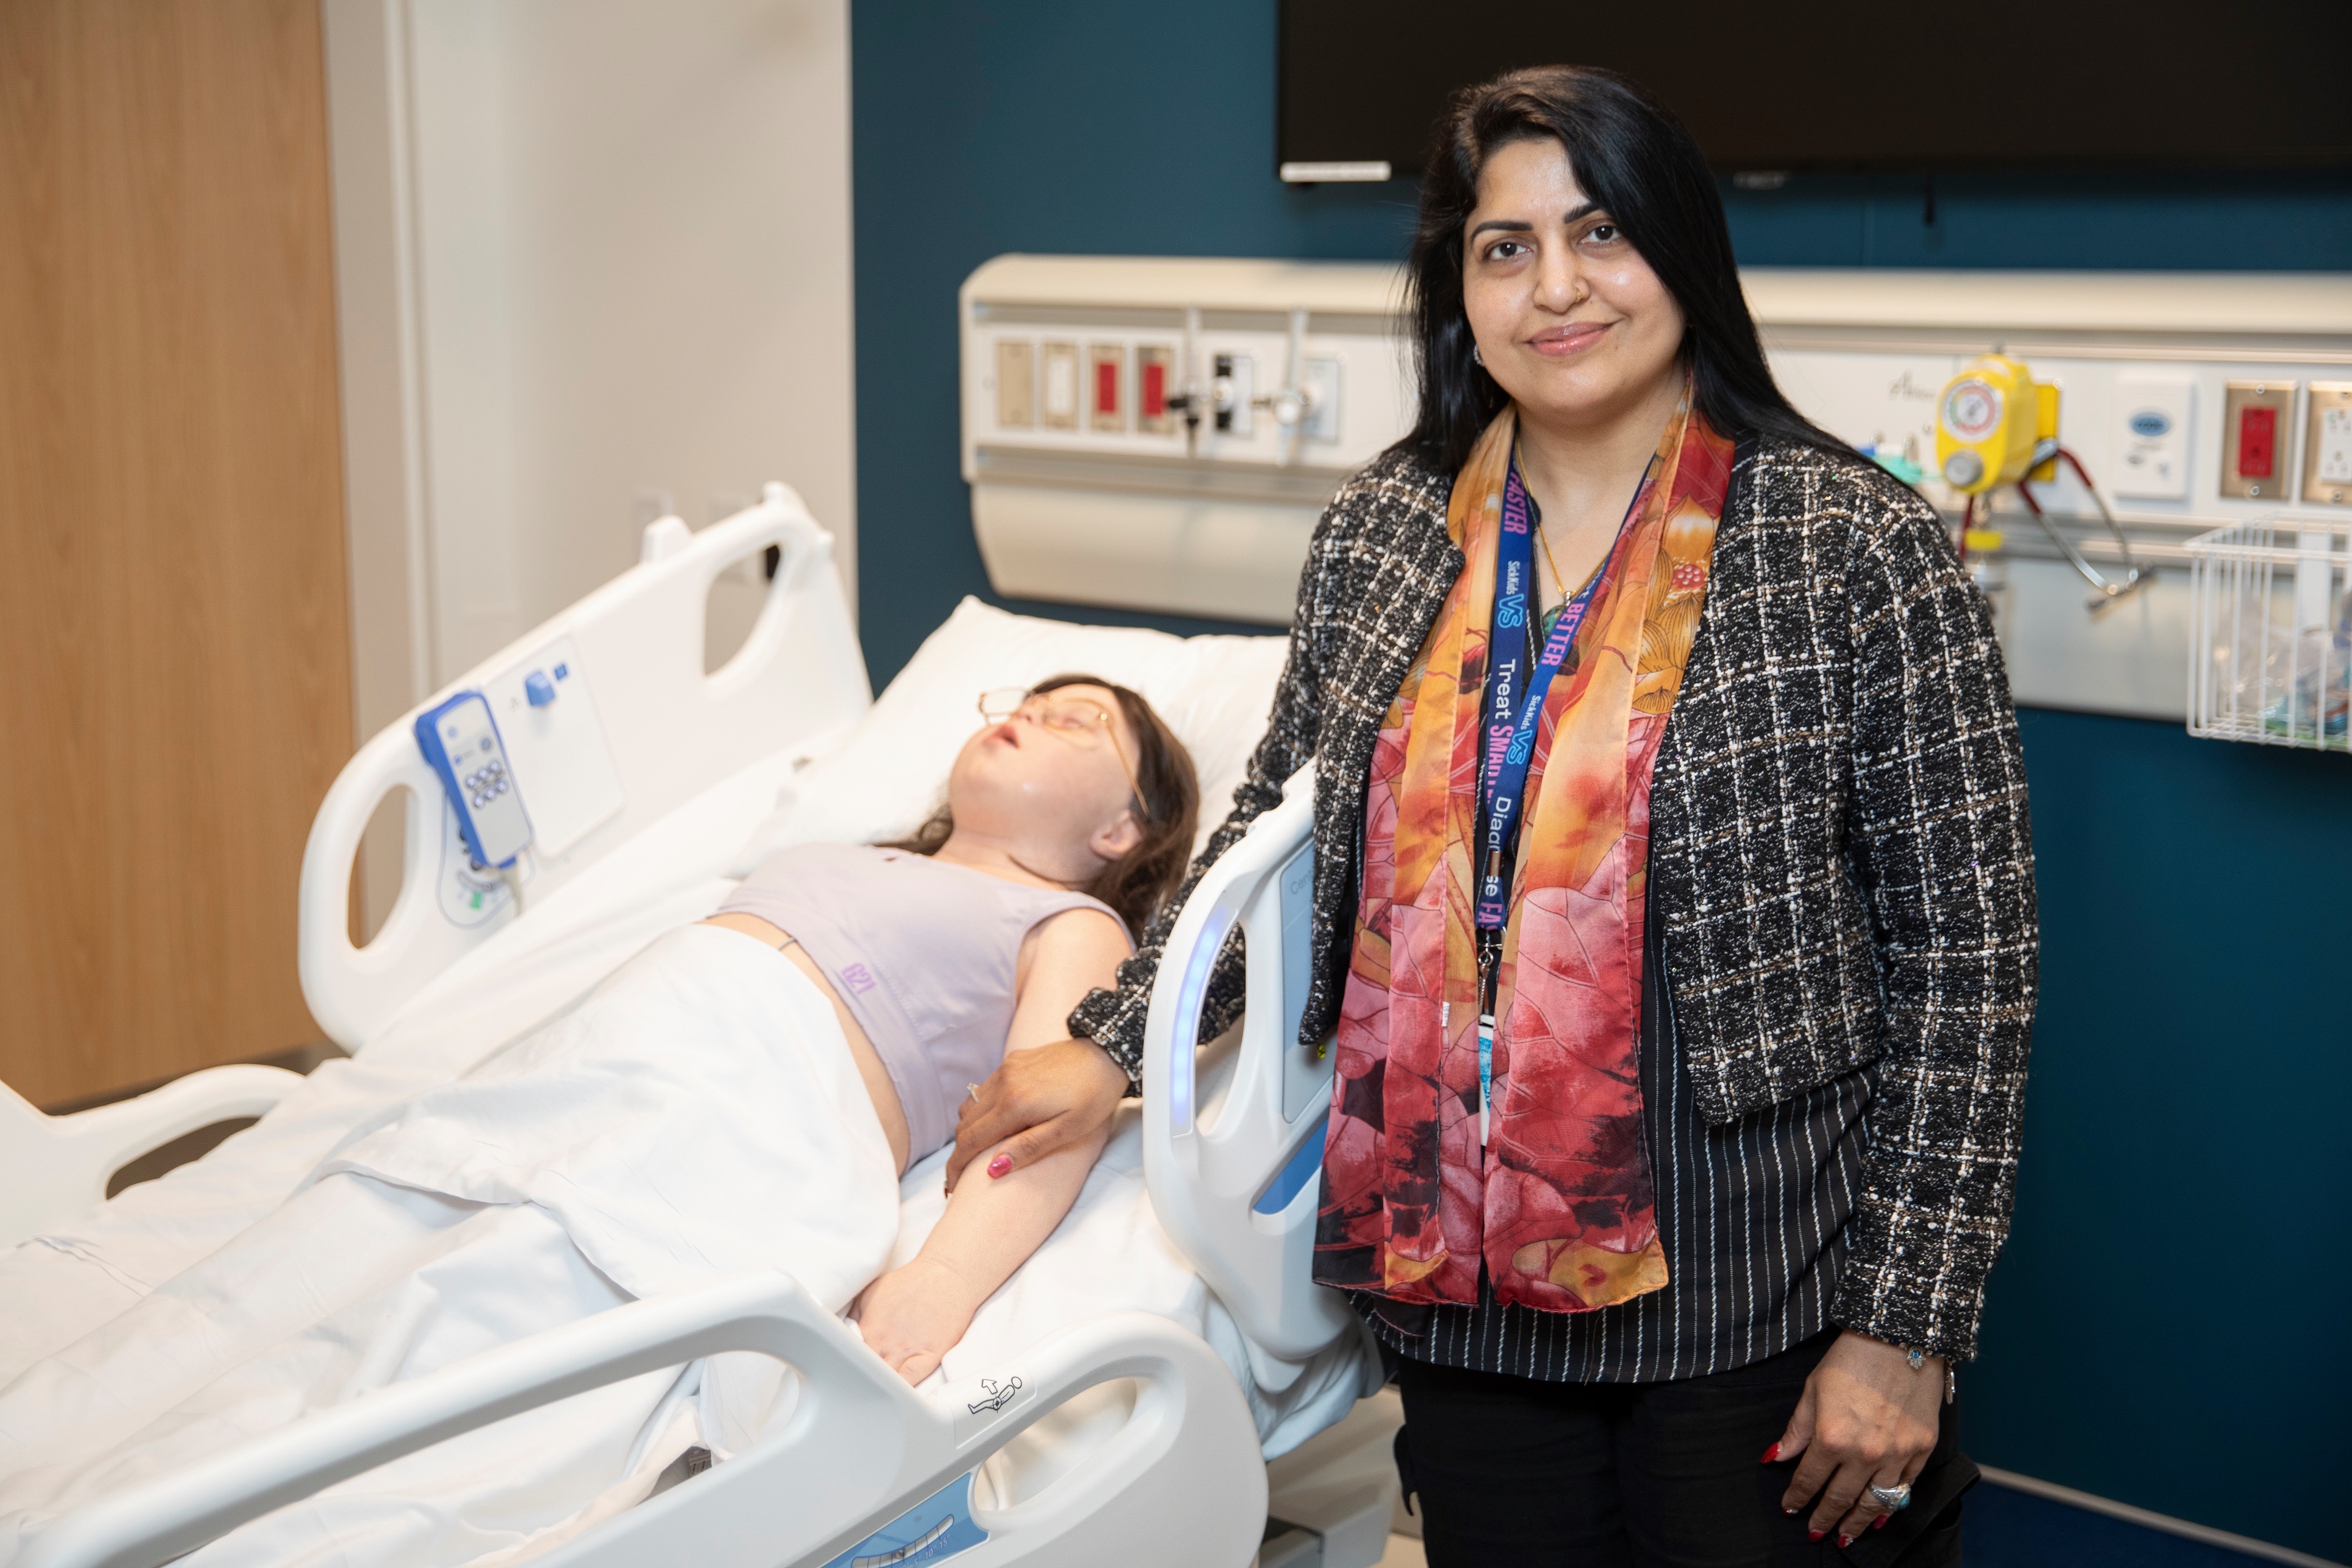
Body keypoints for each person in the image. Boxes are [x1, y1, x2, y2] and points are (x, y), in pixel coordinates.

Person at [949, 68, 2036, 1567]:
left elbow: (1967, 958)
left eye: (1602, 234)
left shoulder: (1850, 546)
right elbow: (1281, 825)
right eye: (1505, 248)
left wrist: (1907, 1326)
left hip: (1758, 1295)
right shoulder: (1389, 530)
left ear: (1683, 253)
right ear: (1457, 289)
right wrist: (1115, 1044)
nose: (1558, 288)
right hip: (1457, 1296)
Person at [0, 676, 1198, 1566]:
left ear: (1121, 834)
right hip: (571, 1076)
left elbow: (1050, 1121)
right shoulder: (849, 854)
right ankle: (49, 1484)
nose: (1028, 716)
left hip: (730, 1106)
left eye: (1076, 723)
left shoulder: (1068, 924)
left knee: (456, 1332)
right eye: (1025, 700)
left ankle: (163, 1536)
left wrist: (938, 1283)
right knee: (293, 1286)